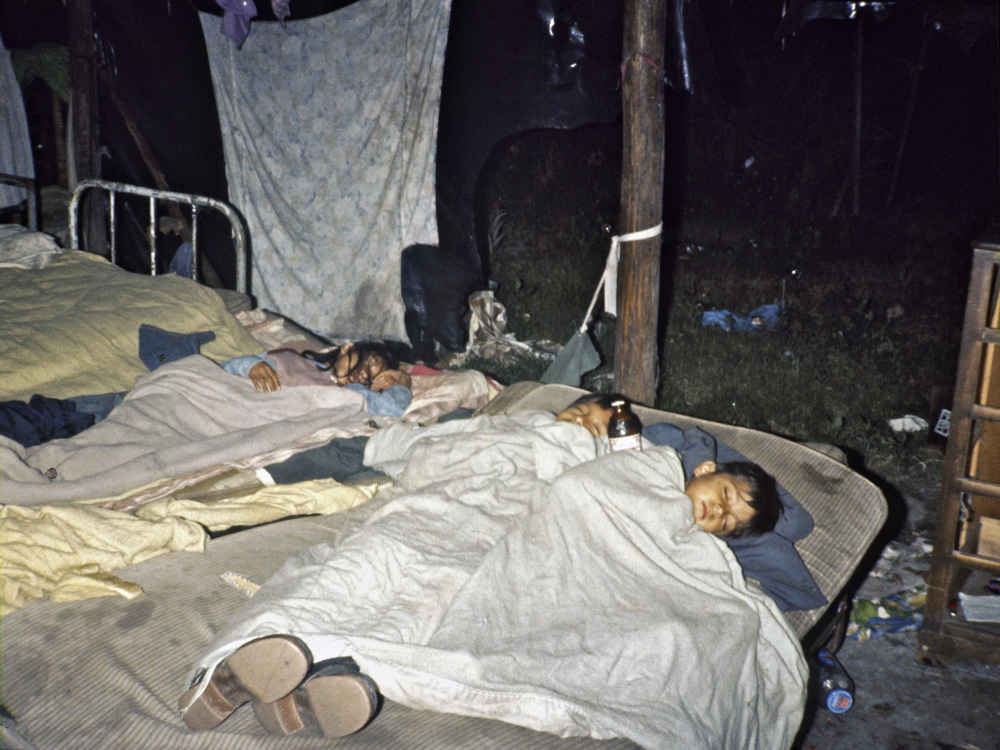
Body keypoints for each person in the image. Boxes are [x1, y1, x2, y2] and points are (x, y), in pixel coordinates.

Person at [221, 341, 413, 417]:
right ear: (348, 347)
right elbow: (218, 371)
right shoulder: (289, 357)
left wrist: (402, 382)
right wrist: (250, 365)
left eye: (371, 380)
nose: (364, 374)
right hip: (225, 394)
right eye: (369, 362)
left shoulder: (347, 392)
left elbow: (389, 408)